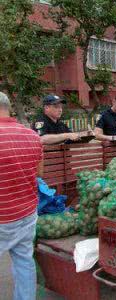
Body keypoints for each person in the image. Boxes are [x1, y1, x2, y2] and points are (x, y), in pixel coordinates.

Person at [0, 92, 43, 300]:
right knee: (24, 263)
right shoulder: (32, 136)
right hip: (27, 214)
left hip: (2, 218)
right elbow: (39, 173)